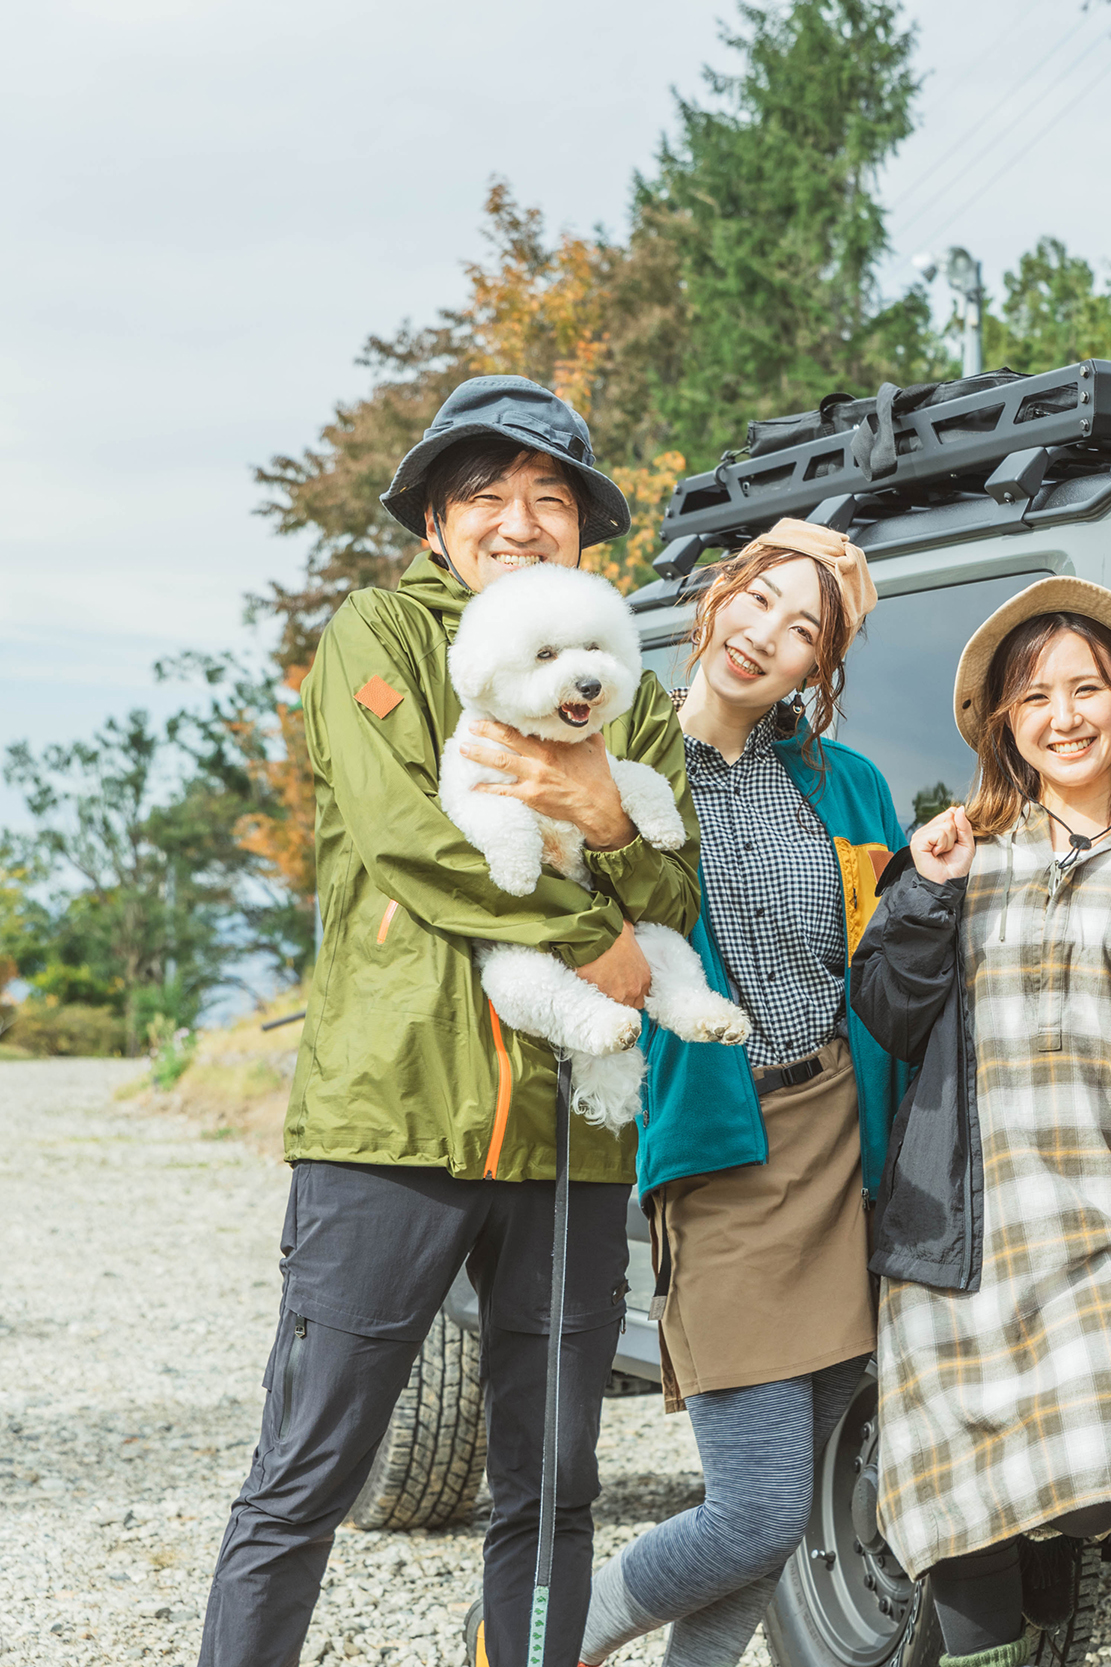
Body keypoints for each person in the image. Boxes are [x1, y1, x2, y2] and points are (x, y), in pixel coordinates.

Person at [197, 377, 698, 1667]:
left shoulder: (625, 683)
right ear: (434, 521)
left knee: (553, 1480)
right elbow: (409, 838)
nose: (519, 521)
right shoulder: (377, 633)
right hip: (391, 1113)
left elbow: (672, 884)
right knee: (307, 1471)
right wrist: (593, 934)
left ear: (587, 531)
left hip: (565, 1136)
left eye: (551, 498)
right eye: (485, 495)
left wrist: (602, 824)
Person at [850, 577, 1111, 1667]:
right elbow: (889, 1015)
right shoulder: (956, 846)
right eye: (1035, 698)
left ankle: (1036, 1637)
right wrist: (926, 894)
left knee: (1080, 1481)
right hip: (960, 1224)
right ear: (1004, 725)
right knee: (969, 1497)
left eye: (1088, 690)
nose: (1063, 715)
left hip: (1105, 1217)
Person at [574, 518, 909, 1666]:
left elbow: (893, 966)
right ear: (717, 600)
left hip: (841, 1144)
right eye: (760, 602)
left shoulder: (849, 786)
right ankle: (538, 1638)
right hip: (719, 1141)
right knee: (754, 1507)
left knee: (779, 1515)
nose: (768, 635)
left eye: (805, 628)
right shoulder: (613, 761)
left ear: (822, 669)